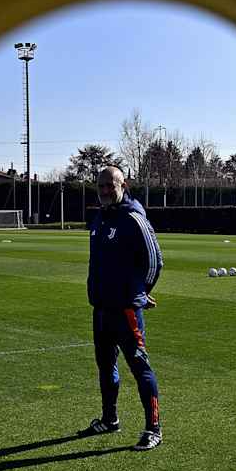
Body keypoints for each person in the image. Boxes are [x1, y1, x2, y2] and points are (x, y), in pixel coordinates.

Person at [78, 166, 164, 451]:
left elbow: (154, 262)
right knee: (105, 365)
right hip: (101, 309)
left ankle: (153, 429)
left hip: (126, 310)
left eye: (109, 185)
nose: (104, 190)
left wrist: (141, 292)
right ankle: (109, 418)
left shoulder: (132, 217)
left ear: (123, 185)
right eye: (100, 186)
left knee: (140, 368)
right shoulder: (101, 217)